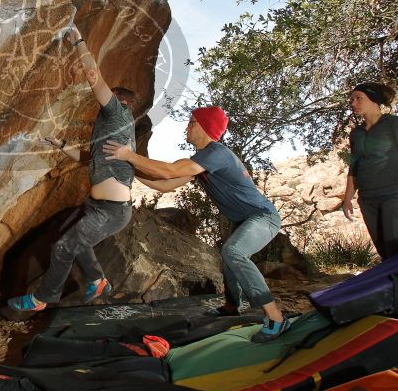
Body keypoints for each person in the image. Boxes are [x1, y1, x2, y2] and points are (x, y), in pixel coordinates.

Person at [103, 106, 289, 342]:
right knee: (228, 257)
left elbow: (169, 171)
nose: (186, 127)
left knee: (233, 252)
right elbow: (165, 185)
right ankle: (232, 306)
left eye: (192, 122)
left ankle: (275, 318)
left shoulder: (217, 154)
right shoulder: (202, 161)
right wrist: (129, 169)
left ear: (206, 127)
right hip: (246, 219)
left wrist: (128, 155)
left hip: (264, 217)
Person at [7, 24, 137, 312]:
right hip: (100, 207)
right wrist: (59, 143)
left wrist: (77, 38)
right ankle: (98, 280)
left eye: (112, 96)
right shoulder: (114, 130)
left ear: (123, 101)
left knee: (64, 247)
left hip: (112, 211)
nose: (104, 100)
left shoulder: (118, 111)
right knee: (78, 242)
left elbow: (93, 75)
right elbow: (87, 158)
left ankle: (42, 298)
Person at [342, 82, 398, 259]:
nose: (354, 103)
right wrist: (347, 198)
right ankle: (394, 287)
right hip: (368, 201)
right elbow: (354, 166)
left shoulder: (396, 124)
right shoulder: (356, 133)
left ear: (374, 100)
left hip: (396, 196)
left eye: (359, 98)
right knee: (386, 255)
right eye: (352, 99)